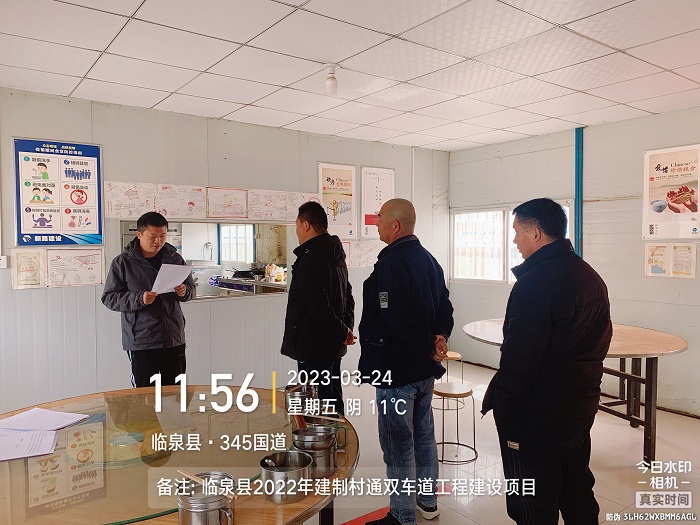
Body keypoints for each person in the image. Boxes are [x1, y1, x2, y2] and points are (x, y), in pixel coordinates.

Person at [481, 198, 612, 525]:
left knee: (531, 504)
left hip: (536, 416)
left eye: (517, 232)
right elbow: (601, 341)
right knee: (576, 488)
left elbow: (520, 359)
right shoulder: (590, 277)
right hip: (579, 406)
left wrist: (505, 408)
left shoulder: (535, 284)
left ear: (536, 234)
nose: (514, 240)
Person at [359, 198, 453, 525]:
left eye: (380, 218)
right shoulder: (428, 259)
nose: (376, 224)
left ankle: (401, 516)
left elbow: (396, 317)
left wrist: (430, 342)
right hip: (423, 370)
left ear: (395, 225)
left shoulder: (391, 264)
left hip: (396, 371)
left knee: (398, 445)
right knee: (423, 437)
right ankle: (428, 502)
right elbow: (445, 305)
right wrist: (439, 338)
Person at [102, 211, 195, 388]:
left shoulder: (175, 259)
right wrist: (139, 298)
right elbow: (109, 298)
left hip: (172, 337)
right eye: (153, 236)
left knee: (175, 393)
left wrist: (183, 291)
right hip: (142, 340)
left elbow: (191, 291)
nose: (158, 241)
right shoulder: (123, 262)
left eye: (163, 236)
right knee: (144, 395)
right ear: (139, 234)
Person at [281, 201, 355, 415]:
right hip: (332, 343)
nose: (297, 231)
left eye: (297, 226)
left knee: (318, 402)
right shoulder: (334, 253)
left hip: (313, 344)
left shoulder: (310, 259)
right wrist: (345, 330)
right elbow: (348, 296)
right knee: (332, 395)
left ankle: (330, 435)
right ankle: (340, 433)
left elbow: (319, 306)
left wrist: (343, 332)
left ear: (306, 225)